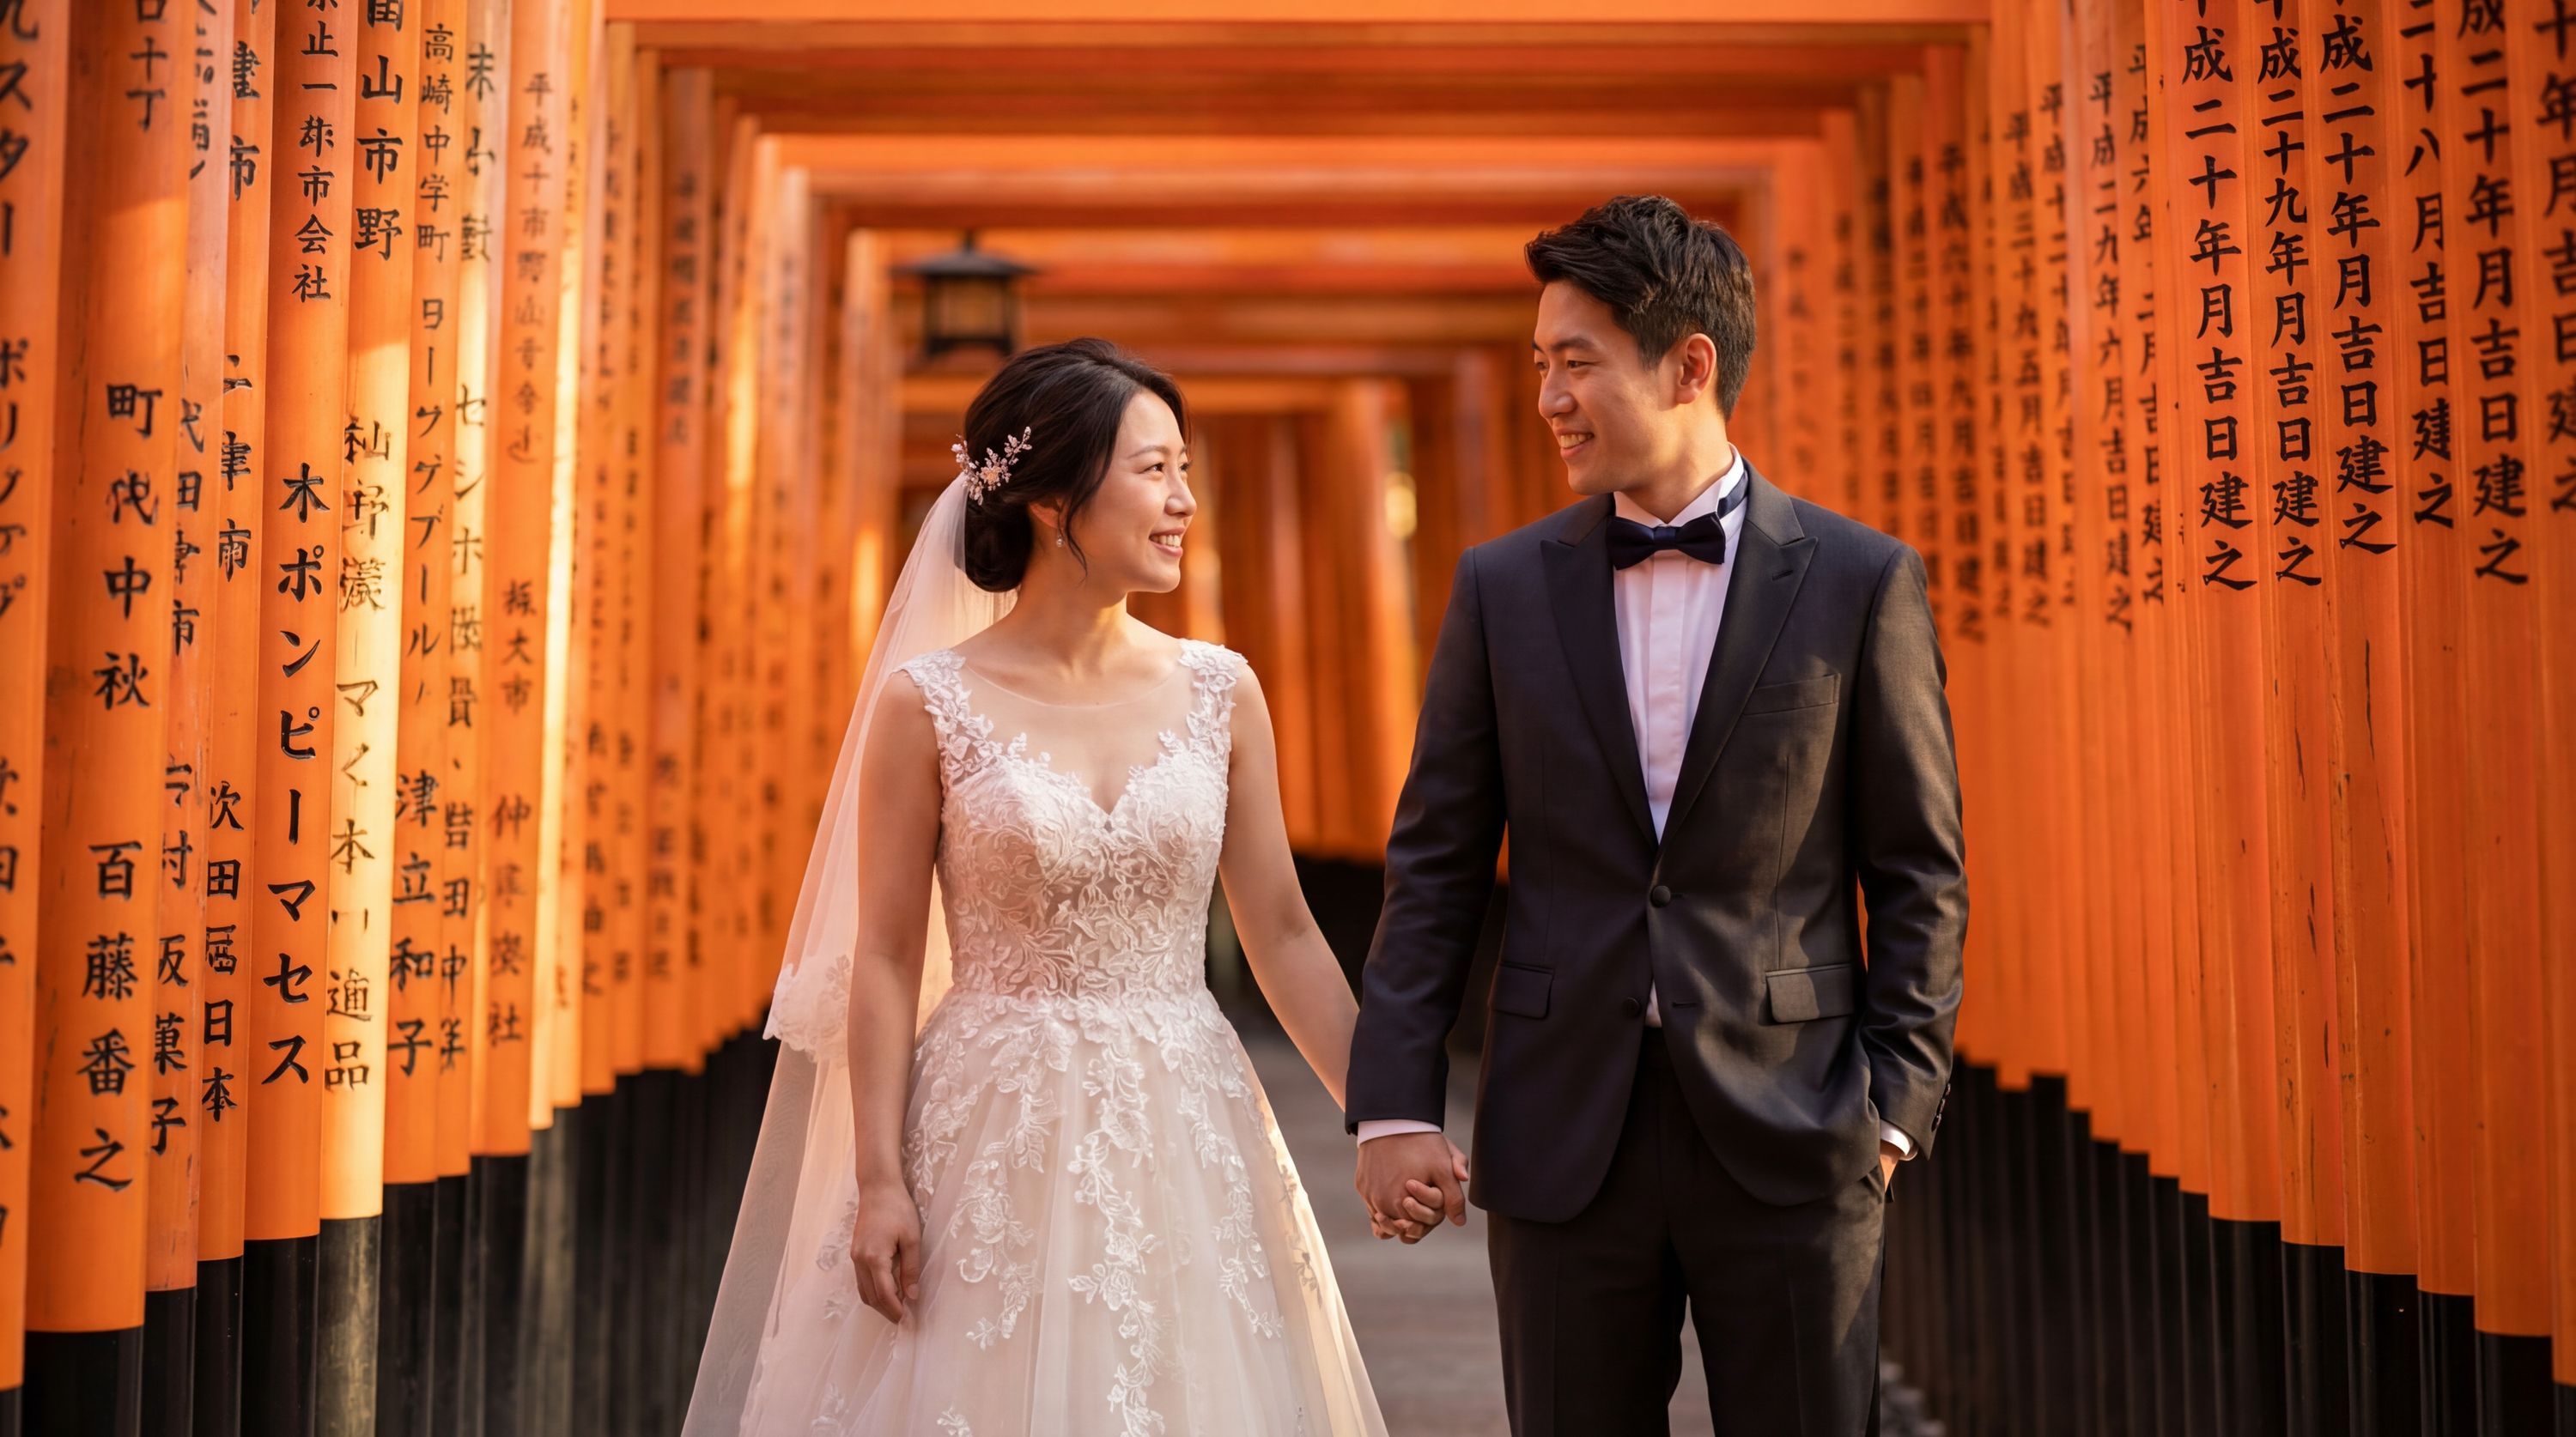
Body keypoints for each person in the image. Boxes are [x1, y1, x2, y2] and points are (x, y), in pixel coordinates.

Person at [683, 338, 1457, 1436]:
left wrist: (1384, 1117)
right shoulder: (927, 704)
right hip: (987, 1126)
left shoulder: (1220, 690)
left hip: (1182, 1117)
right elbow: (890, 956)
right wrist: (878, 1179)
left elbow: (1282, 931)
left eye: (1184, 469)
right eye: (1153, 471)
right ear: (1052, 502)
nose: (1184, 500)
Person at [1347, 195, 1968, 1436]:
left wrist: (1894, 1108)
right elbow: (1437, 866)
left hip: (1800, 1128)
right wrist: (1396, 1103)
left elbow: (1919, 869)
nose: (1549, 399)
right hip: (1562, 1135)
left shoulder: (1860, 580)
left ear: (1691, 365)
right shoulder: (1500, 586)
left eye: (1575, 362)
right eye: (1538, 366)